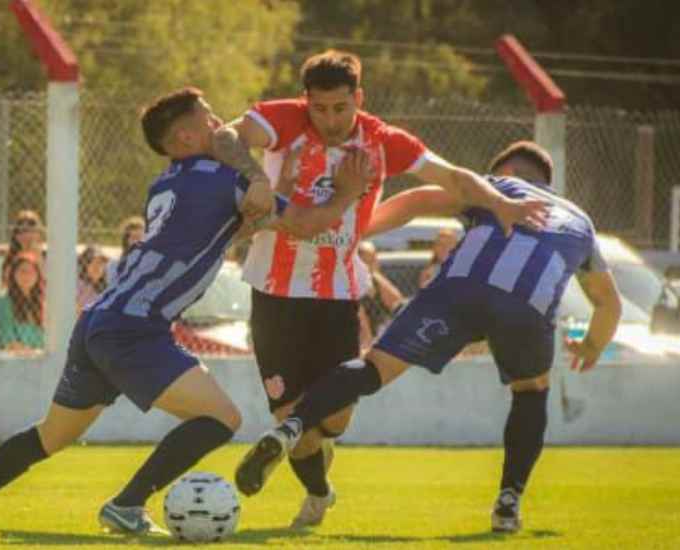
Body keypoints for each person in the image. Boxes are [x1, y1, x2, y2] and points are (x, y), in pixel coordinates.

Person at [0, 86, 368, 534]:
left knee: (51, 435)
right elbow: (309, 226)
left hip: (99, 319)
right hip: (135, 328)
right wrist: (347, 193)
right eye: (210, 119)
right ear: (183, 138)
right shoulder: (223, 179)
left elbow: (201, 238)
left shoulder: (167, 184)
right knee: (221, 419)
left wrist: (260, 204)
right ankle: (127, 504)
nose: (222, 126)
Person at [212, 49, 548, 528]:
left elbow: (451, 175)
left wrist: (498, 202)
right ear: (306, 100)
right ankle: (319, 493)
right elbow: (226, 136)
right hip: (273, 291)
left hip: (337, 294)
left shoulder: (384, 141)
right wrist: (253, 177)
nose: (329, 119)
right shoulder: (283, 119)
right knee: (292, 419)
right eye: (319, 108)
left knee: (335, 420)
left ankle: (313, 457)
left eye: (340, 108)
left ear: (359, 99)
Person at [235, 141, 622, 534]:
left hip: (458, 288)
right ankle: (508, 503)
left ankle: (292, 426)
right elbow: (609, 302)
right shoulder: (581, 221)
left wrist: (351, 230)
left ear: (506, 171)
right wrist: (592, 345)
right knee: (531, 390)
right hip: (526, 304)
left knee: (375, 368)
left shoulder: (498, 187)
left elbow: (418, 200)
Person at [0, 251, 44, 353]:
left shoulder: (40, 304)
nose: (27, 276)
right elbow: (8, 342)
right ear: (13, 274)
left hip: (38, 359)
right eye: (22, 271)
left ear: (38, 276)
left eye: (31, 272)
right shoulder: (2, 302)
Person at [356, 240, 405, 350]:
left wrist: (373, 274)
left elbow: (398, 302)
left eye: (372, 259)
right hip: (360, 343)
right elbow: (364, 331)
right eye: (365, 260)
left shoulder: (376, 281)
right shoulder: (350, 287)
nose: (370, 263)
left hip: (380, 337)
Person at [1, 210, 45, 287]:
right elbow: (6, 283)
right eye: (21, 231)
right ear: (16, 236)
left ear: (38, 233)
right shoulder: (11, 259)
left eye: (30, 231)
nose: (26, 235)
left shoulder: (48, 256)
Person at [105, 216, 145, 285]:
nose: (138, 241)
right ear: (126, 240)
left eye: (141, 237)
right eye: (134, 238)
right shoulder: (115, 263)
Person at [76, 245, 109, 313]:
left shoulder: (105, 288)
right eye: (92, 262)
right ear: (85, 265)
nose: (97, 266)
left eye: (100, 263)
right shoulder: (78, 284)